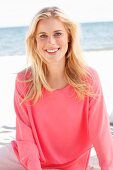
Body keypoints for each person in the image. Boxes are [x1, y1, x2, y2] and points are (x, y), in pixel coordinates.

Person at [0, 6, 113, 170]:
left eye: (57, 34)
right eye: (43, 36)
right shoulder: (24, 80)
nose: (50, 42)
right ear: (35, 41)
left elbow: (100, 132)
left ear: (69, 37)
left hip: (73, 163)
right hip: (26, 158)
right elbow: (25, 138)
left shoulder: (88, 78)